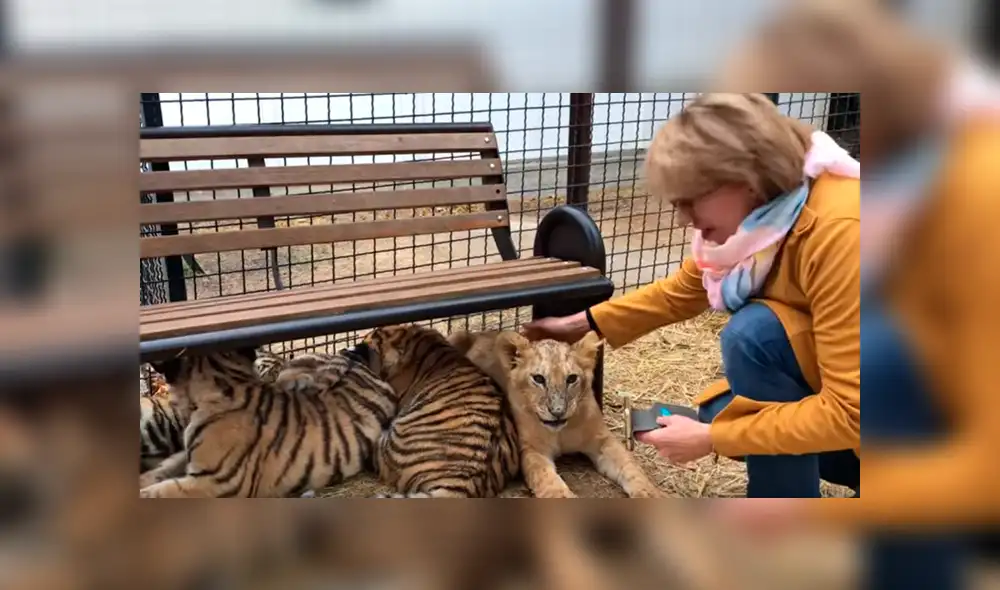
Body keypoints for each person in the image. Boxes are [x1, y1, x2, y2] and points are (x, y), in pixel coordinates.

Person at [523, 91, 861, 499]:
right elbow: (682, 291)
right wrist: (579, 325)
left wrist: (714, 438)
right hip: (850, 399)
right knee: (723, 409)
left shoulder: (843, 232)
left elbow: (852, 412)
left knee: (752, 340)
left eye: (690, 199)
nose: (683, 218)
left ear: (744, 179)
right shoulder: (761, 226)